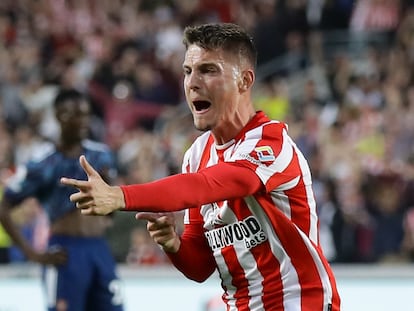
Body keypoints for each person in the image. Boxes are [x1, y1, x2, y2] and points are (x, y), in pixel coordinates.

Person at [61, 23, 341, 311]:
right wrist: (174, 245)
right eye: (187, 71)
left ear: (244, 81)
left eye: (208, 70)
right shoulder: (196, 155)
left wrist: (120, 196)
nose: (193, 83)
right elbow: (200, 267)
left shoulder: (270, 143)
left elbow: (206, 185)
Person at [0, 88, 124, 311]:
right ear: (58, 116)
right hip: (66, 249)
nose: (82, 121)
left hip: (99, 247)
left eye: (85, 114)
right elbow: (4, 205)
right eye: (75, 114)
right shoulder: (43, 162)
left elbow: (111, 204)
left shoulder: (101, 155)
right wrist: (32, 254)